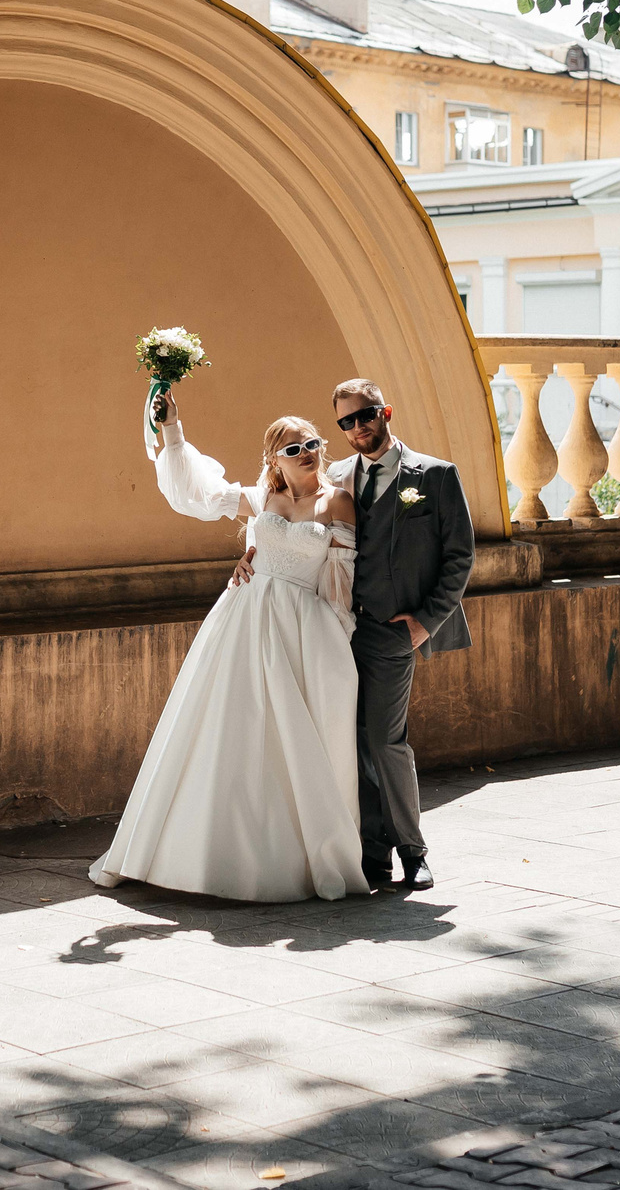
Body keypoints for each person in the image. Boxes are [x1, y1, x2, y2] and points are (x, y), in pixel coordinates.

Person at [87, 394, 370, 902]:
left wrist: (336, 639)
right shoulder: (260, 498)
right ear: (273, 461)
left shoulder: (338, 502)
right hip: (242, 618)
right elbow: (196, 495)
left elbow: (341, 579)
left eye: (311, 443)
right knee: (228, 725)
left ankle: (293, 855)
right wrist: (172, 431)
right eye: (291, 448)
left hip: (303, 628)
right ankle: (199, 852)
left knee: (293, 735)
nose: (305, 452)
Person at [238, 377, 472, 891]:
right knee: (341, 738)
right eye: (346, 421)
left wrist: (425, 622)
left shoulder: (433, 476)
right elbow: (290, 522)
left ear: (385, 412)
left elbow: (459, 557)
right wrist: (254, 554)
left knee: (385, 740)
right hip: (325, 629)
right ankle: (370, 854)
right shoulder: (333, 474)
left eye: (365, 415)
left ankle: (413, 851)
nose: (357, 427)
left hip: (391, 631)